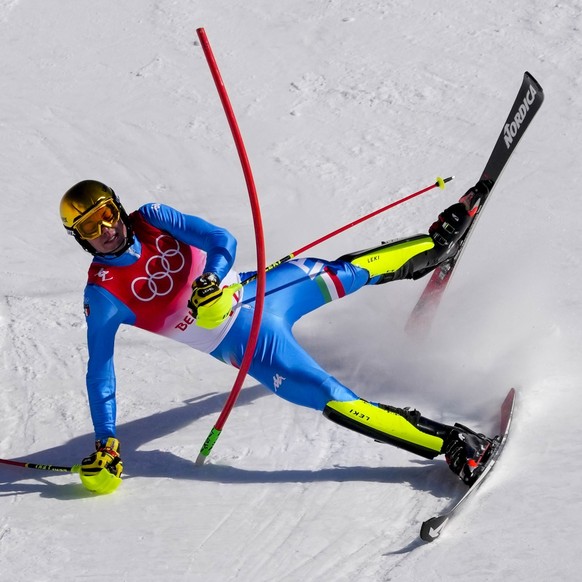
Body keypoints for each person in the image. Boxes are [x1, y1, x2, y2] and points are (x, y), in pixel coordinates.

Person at [59, 179, 494, 494]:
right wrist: (106, 440)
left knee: (343, 271)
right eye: (90, 229)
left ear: (118, 206)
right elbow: (100, 369)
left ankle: (434, 245)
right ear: (79, 239)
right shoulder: (102, 294)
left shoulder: (153, 218)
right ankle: (453, 444)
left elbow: (220, 240)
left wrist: (211, 279)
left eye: (107, 216)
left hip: (264, 289)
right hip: (250, 346)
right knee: (332, 398)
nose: (106, 231)